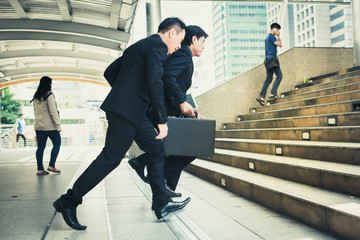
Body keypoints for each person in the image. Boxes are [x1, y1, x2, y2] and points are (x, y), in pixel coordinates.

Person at [53, 18, 190, 231]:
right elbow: (155, 81)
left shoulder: (138, 46)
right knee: (110, 158)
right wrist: (162, 120)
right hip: (127, 112)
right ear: (171, 33)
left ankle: (161, 202)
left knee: (156, 148)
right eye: (180, 41)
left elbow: (110, 72)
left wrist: (127, 91)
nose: (177, 47)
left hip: (131, 111)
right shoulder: (157, 46)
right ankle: (68, 201)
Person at [129, 25, 208, 197]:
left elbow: (177, 85)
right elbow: (168, 77)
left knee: (181, 148)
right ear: (194, 39)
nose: (204, 46)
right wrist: (181, 102)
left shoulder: (184, 56)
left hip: (166, 109)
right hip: (161, 110)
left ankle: (166, 187)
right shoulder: (184, 54)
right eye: (202, 41)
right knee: (191, 147)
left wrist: (191, 109)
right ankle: (152, 173)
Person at [31, 76, 62, 176]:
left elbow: (35, 112)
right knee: (57, 143)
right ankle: (51, 165)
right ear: (49, 84)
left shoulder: (36, 96)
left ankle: (40, 169)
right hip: (50, 126)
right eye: (51, 83)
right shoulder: (49, 95)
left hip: (39, 126)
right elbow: (53, 112)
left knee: (40, 148)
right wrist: (58, 125)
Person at [256, 23, 283, 106]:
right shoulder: (271, 36)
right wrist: (278, 36)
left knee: (269, 78)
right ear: (274, 29)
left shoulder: (267, 37)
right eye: (277, 30)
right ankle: (273, 93)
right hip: (272, 60)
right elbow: (280, 45)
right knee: (279, 76)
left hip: (267, 60)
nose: (278, 31)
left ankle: (261, 97)